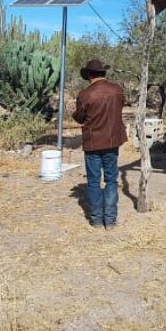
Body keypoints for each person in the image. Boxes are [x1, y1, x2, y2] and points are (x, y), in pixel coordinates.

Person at [72, 58, 126, 228]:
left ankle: (96, 219)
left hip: (93, 142)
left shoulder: (85, 94)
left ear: (89, 75)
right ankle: (110, 220)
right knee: (111, 179)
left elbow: (80, 117)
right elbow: (119, 110)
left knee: (94, 181)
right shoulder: (117, 90)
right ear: (103, 73)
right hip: (112, 141)